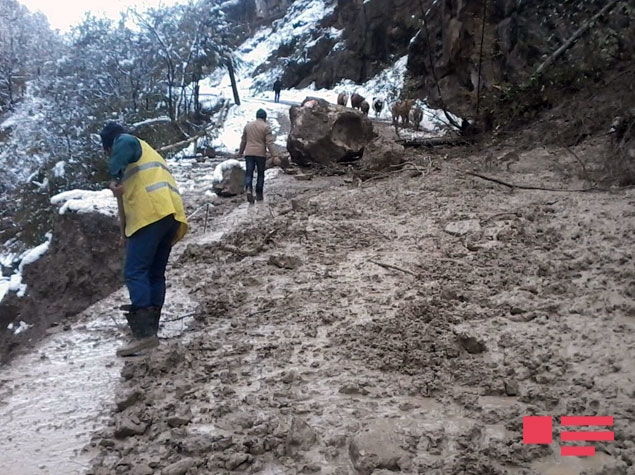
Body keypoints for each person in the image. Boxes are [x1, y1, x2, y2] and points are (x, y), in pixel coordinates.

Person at [99, 122, 188, 357]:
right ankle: (151, 330)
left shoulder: (126, 142)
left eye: (108, 152)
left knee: (135, 271)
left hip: (151, 214)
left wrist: (114, 175)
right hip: (170, 215)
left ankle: (144, 335)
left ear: (109, 146)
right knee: (155, 273)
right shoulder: (147, 151)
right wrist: (124, 232)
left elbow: (124, 142)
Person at [238, 109, 277, 203]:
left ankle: (248, 189)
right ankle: (259, 194)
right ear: (265, 117)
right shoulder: (266, 127)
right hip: (260, 153)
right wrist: (274, 155)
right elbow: (269, 142)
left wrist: (240, 152)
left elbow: (243, 140)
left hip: (249, 153)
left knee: (249, 172)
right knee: (260, 174)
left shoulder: (248, 126)